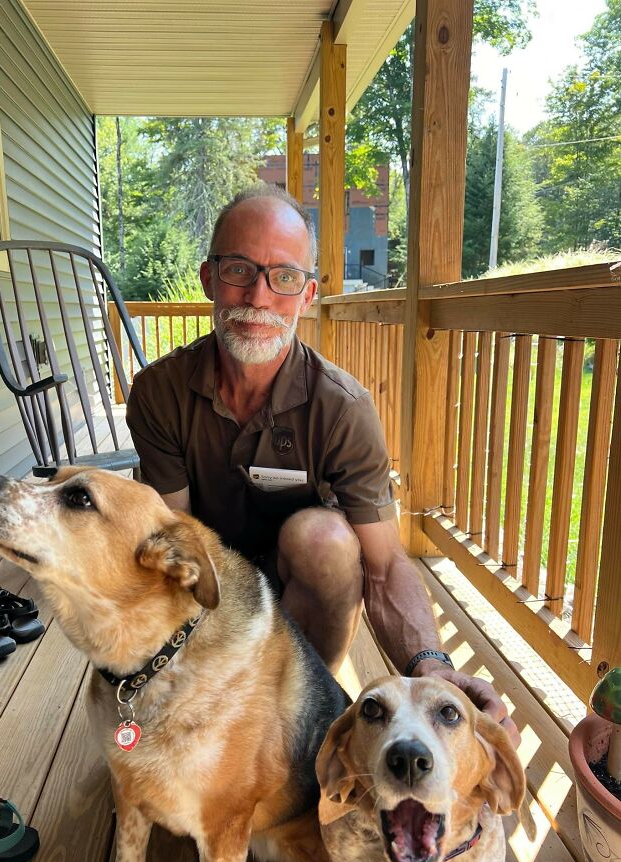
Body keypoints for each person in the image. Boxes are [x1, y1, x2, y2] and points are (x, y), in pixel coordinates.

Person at [126, 183, 518, 745]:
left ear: (306, 296)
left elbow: (383, 567)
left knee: (329, 538)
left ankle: (302, 701)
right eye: (240, 270)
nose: (259, 298)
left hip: (303, 596)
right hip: (207, 588)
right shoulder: (158, 392)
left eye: (283, 278)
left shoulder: (343, 408)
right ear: (210, 278)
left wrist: (432, 666)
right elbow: (176, 547)